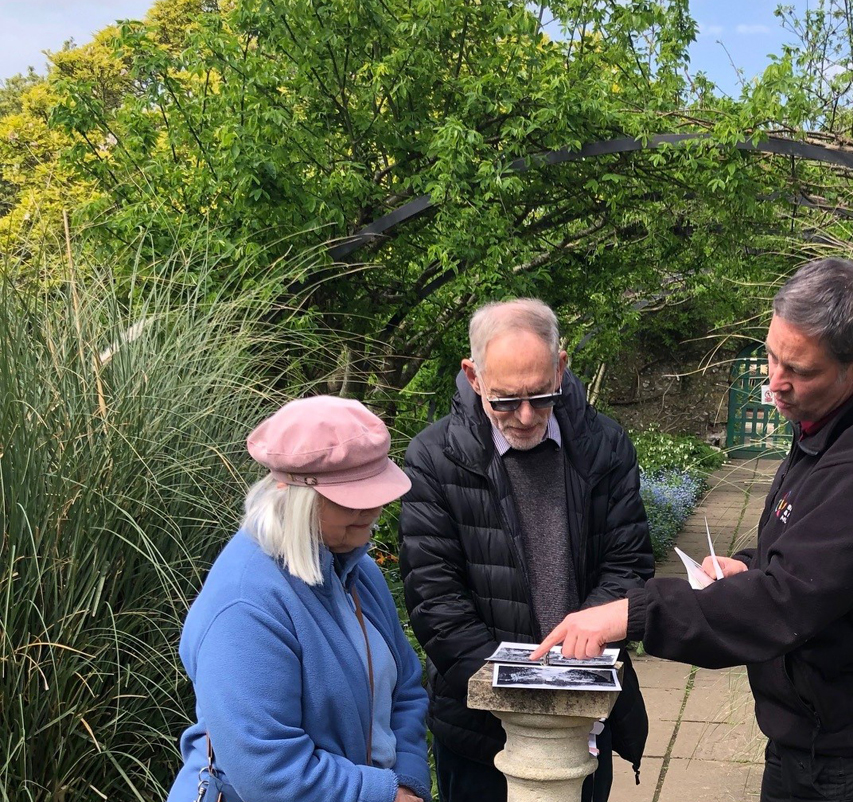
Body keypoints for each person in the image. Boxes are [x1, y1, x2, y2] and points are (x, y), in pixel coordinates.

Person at [534, 258, 853, 802]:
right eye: (772, 356)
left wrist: (633, 612)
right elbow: (813, 553)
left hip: (852, 752)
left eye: (799, 371)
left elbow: (781, 606)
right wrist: (751, 565)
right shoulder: (830, 423)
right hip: (817, 731)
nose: (776, 383)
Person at [399, 298, 654, 802]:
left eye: (542, 395)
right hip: (480, 728)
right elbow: (435, 601)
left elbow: (627, 564)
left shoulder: (604, 443)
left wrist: (574, 673)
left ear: (561, 366)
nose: (525, 415)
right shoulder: (433, 458)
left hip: (583, 716)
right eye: (505, 400)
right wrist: (523, 696)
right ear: (473, 377)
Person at [167, 395, 432, 802]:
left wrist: (409, 780)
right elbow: (268, 769)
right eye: (353, 498)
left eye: (376, 489)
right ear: (296, 496)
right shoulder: (245, 604)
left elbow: (407, 691)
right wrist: (384, 795)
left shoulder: (360, 571)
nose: (375, 508)